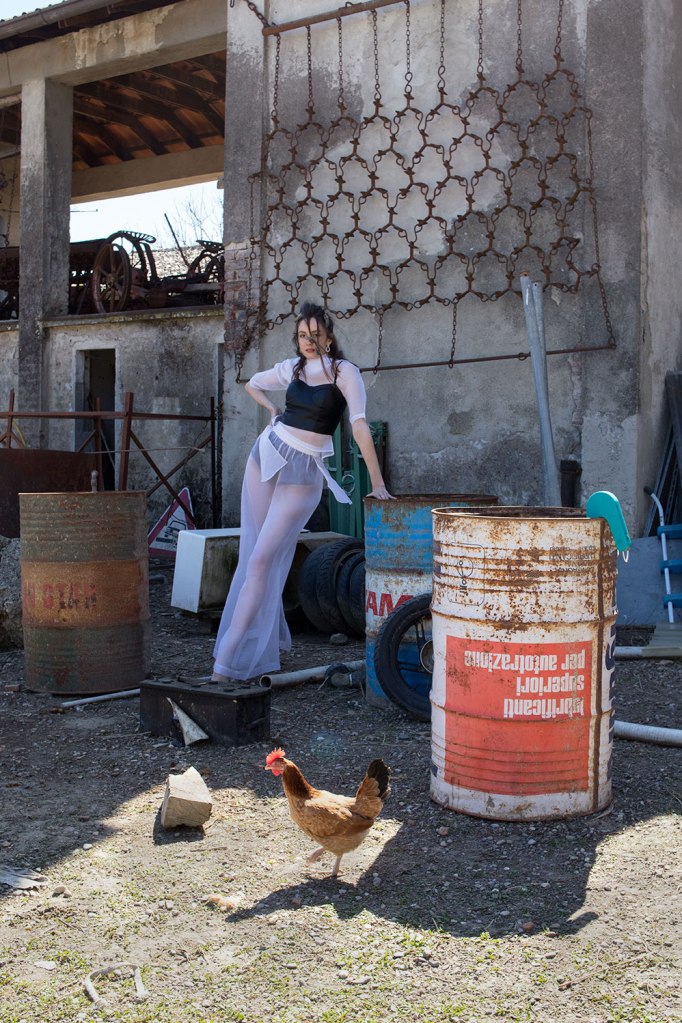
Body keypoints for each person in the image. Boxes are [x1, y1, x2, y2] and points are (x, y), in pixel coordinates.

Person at [211, 301, 394, 685]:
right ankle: (236, 655)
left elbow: (359, 426)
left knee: (262, 561)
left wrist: (378, 483)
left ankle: (225, 663)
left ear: (328, 337)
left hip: (303, 472)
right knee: (252, 553)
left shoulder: (345, 372)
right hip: (266, 455)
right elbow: (252, 383)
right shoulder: (292, 368)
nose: (308, 341)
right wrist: (271, 410)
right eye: (301, 335)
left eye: (315, 335)